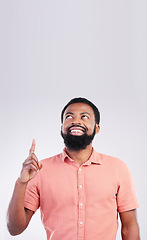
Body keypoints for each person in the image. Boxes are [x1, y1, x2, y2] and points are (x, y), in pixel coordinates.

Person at [7, 97, 140, 240]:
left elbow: (129, 226)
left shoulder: (118, 168)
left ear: (97, 128)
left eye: (84, 117)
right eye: (69, 116)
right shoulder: (40, 169)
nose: (76, 121)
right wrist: (21, 182)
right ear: (62, 127)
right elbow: (15, 229)